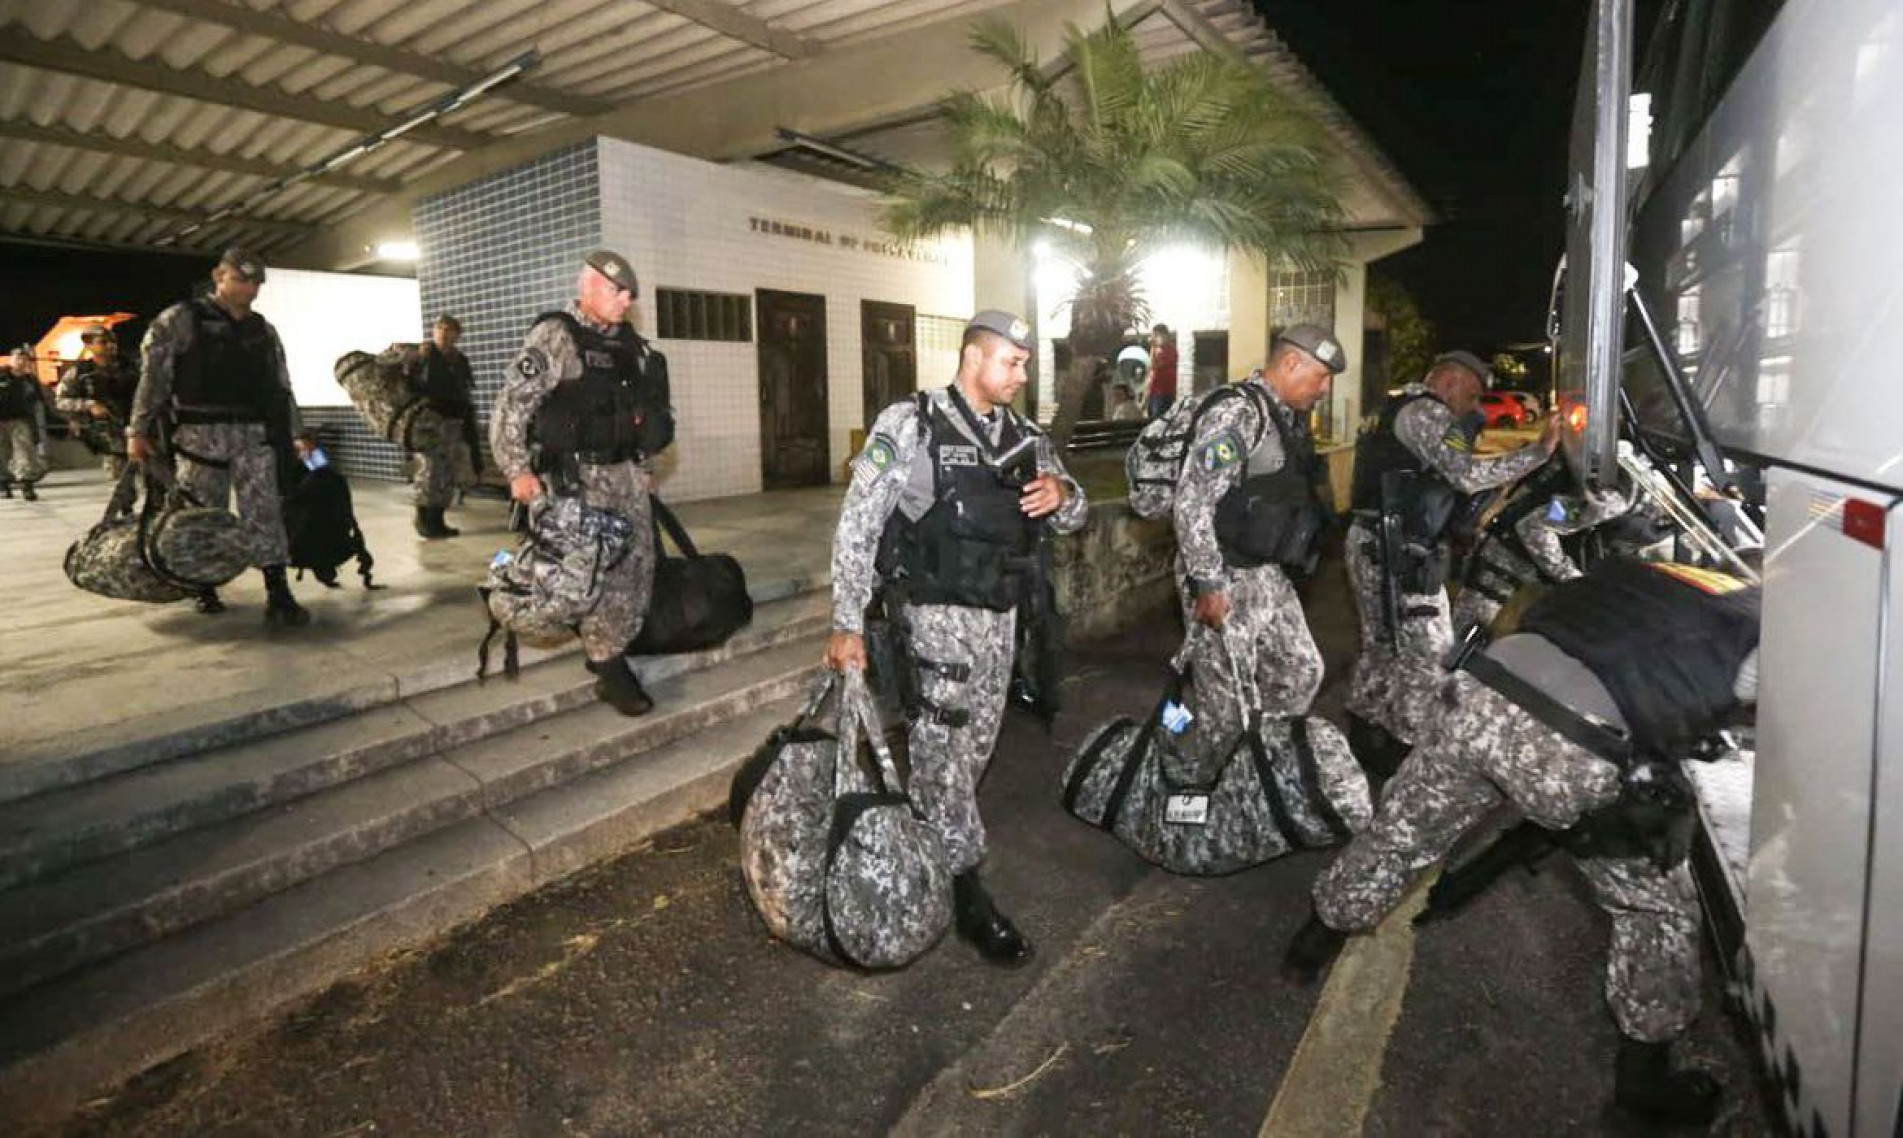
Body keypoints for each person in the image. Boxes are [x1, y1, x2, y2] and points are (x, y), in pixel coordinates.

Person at [1285, 558, 1761, 1126]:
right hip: (1573, 744)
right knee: (1654, 908)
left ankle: (1313, 942)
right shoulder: (1763, 633)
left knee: (1400, 835)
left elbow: (1555, 607)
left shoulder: (1659, 573)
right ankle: (1645, 1083)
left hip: (1481, 691)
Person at [824, 309, 1088, 966]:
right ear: (974, 357)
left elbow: (1072, 513)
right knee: (941, 757)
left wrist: (1061, 493)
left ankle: (924, 852)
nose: (1021, 374)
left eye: (1024, 363)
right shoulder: (911, 424)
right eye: (1012, 361)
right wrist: (846, 620)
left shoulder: (1024, 437)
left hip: (1000, 620)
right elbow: (858, 522)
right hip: (934, 619)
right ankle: (968, 893)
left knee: (970, 754)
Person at [1343, 350, 1556, 775]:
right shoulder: (1425, 412)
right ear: (1451, 382)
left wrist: (1472, 429)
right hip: (1395, 549)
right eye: (1473, 395)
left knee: (1384, 646)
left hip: (1378, 541)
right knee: (1431, 651)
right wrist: (1539, 452)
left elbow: (1441, 469)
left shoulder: (1399, 407)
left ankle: (1366, 735)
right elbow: (1465, 475)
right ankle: (1409, 751)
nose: (1474, 406)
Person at [492, 250, 672, 717]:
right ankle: (609, 666)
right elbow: (512, 406)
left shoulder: (629, 345)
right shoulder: (556, 336)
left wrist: (645, 468)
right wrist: (517, 471)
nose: (626, 300)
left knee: (636, 569)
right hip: (578, 482)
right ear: (589, 287)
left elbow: (636, 416)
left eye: (630, 293)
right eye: (618, 291)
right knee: (591, 574)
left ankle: (610, 646)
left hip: (627, 478)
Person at [1172, 325, 1343, 769]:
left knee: (1301, 670)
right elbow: (1192, 501)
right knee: (1226, 708)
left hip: (1266, 572)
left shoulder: (1283, 415)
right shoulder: (1238, 413)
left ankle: (1259, 769)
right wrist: (1208, 582)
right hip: (1224, 573)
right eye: (1320, 376)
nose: (1324, 389)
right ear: (1290, 363)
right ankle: (1211, 792)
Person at [130, 248, 308, 624]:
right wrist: (138, 429)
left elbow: (281, 385)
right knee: (202, 513)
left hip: (253, 434)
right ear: (218, 276)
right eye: (241, 279)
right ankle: (203, 586)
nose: (250, 288)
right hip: (199, 436)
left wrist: (296, 432)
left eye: (256, 281)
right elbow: (154, 378)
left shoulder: (263, 329)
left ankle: (277, 590)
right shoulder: (180, 319)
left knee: (264, 511)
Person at [1450, 457, 1631, 638]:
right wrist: (1572, 579)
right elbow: (1535, 526)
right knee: (1459, 640)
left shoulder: (1634, 491)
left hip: (1533, 578)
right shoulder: (1612, 499)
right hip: (1508, 565)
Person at [409, 313, 480, 539]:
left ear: (457, 335)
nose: (444, 334)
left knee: (445, 473)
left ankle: (437, 520)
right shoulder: (424, 355)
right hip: (429, 421)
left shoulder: (459, 360)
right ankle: (424, 519)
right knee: (428, 471)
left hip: (453, 421)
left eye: (449, 330)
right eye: (440, 329)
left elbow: (465, 390)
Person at [56, 323, 140, 478]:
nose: (110, 345)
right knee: (121, 477)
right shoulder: (80, 373)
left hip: (138, 427)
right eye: (103, 342)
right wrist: (90, 405)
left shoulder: (132, 367)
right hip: (109, 432)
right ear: (89, 346)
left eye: (112, 341)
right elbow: (61, 401)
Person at [0, 347, 49, 500]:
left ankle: (26, 485)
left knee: (24, 452)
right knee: (1, 453)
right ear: (11, 359)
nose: (20, 361)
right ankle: (3, 484)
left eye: (24, 359)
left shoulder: (30, 380)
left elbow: (40, 402)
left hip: (21, 420)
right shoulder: (2, 375)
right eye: (17, 358)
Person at [1144, 323, 1178, 418]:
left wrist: (1154, 348)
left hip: (1164, 391)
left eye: (1156, 335)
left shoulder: (1170, 350)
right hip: (1154, 390)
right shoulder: (1156, 349)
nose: (1154, 338)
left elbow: (1156, 366)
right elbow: (1151, 369)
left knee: (1159, 419)